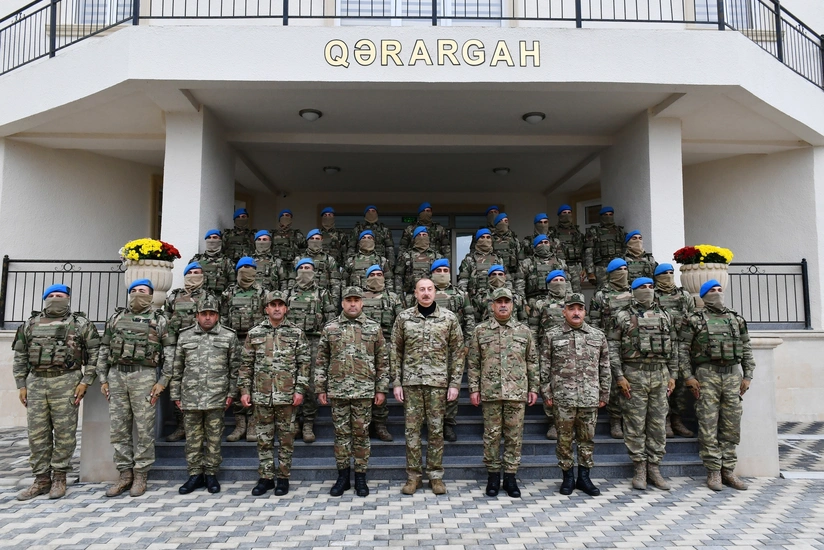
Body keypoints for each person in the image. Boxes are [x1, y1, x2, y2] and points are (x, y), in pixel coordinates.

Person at [12, 284, 100, 500]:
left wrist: (85, 382)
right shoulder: (30, 324)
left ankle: (59, 478)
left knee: (64, 433)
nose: (55, 298)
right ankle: (41, 480)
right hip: (36, 383)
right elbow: (20, 356)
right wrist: (21, 384)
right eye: (50, 296)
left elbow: (95, 353)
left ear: (68, 298)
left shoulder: (80, 324)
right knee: (37, 434)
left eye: (59, 296)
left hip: (67, 381)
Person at [97, 279, 175, 498]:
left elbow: (170, 354)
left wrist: (163, 381)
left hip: (144, 376)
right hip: (117, 376)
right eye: (134, 291)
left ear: (150, 296)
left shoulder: (160, 320)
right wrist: (103, 379)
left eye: (143, 291)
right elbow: (104, 349)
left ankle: (141, 474)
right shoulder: (116, 318)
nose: (138, 294)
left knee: (144, 428)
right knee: (119, 429)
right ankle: (124, 474)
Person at [680, 280, 755, 492]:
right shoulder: (694, 319)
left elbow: (746, 348)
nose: (717, 293)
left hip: (732, 376)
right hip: (706, 375)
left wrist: (748, 375)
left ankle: (728, 471)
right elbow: (682, 350)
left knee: (731, 425)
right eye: (712, 291)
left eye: (719, 290)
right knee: (708, 423)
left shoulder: (735, 319)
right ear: (704, 296)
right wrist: (688, 377)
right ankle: (713, 471)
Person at [391, 278, 464, 495]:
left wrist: (455, 384)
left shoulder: (448, 318)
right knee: (412, 431)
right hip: (412, 383)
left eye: (429, 289)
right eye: (421, 289)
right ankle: (413, 477)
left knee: (436, 431)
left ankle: (435, 476)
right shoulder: (404, 318)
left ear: (435, 292)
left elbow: (458, 352)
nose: (426, 293)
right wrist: (396, 382)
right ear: (415, 293)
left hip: (438, 384)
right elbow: (395, 351)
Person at [315, 287, 389, 497]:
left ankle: (361, 477)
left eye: (357, 300)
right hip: (338, 391)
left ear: (362, 303)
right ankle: (343, 477)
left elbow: (382, 361)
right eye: (349, 300)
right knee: (341, 436)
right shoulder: (330, 328)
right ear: (342, 303)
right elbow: (321, 361)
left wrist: (381, 389)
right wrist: (320, 387)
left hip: (364, 391)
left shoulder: (373, 328)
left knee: (361, 435)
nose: (353, 304)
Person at [467, 287, 538, 498]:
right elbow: (473, 363)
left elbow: (532, 362)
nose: (503, 305)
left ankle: (510, 477)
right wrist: (473, 389)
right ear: (493, 305)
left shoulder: (524, 331)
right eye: (499, 302)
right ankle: (492, 476)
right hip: (491, 392)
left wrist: (533, 388)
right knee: (491, 436)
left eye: (507, 301)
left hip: (516, 392)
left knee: (514, 437)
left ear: (513, 305)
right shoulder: (480, 331)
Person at [238, 290, 310, 497]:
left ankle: (284, 477)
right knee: (264, 438)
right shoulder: (255, 333)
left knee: (286, 438)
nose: (277, 308)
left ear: (286, 308)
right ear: (266, 308)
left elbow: (304, 364)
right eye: (273, 305)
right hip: (261, 395)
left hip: (287, 396)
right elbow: (246, 365)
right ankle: (266, 477)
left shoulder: (296, 333)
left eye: (280, 305)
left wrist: (300, 390)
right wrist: (244, 390)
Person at [609, 277, 677, 491]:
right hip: (634, 375)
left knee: (657, 424)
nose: (647, 290)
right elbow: (612, 347)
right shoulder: (622, 316)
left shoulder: (665, 315)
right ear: (633, 291)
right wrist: (619, 376)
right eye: (642, 287)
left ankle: (654, 467)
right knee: (635, 424)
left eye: (650, 287)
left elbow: (673, 347)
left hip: (659, 375)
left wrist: (673, 375)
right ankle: (639, 467)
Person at [167, 295, 240, 495]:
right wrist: (175, 395)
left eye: (212, 314)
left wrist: (231, 394)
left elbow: (235, 369)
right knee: (192, 439)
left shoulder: (228, 336)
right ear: (197, 315)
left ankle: (211, 473)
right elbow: (177, 368)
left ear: (217, 316)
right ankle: (194, 474)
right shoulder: (185, 336)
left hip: (217, 396)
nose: (208, 318)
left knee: (214, 438)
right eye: (204, 314)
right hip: (190, 396)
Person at [542, 293, 610, 496]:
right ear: (564, 312)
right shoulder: (552, 335)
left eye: (580, 308)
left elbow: (605, 366)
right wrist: (546, 392)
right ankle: (568, 477)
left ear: (585, 312)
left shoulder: (597, 336)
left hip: (589, 397)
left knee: (587, 439)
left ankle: (584, 477)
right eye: (572, 308)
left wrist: (604, 393)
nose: (576, 312)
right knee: (563, 439)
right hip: (563, 398)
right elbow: (544, 366)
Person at [163, 261, 215, 442]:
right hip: (179, 347)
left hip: (203, 347)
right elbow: (166, 322)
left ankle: (204, 427)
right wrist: (169, 346)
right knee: (178, 385)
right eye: (191, 272)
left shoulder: (210, 297)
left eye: (198, 272)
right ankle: (181, 425)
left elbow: (216, 321)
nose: (194, 275)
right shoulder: (173, 297)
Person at [287, 258, 337, 443]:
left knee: (309, 384)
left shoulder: (322, 293)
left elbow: (331, 319)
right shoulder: (288, 293)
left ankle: (308, 422)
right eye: (301, 268)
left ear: (314, 271)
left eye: (308, 268)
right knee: (290, 380)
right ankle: (294, 422)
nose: (305, 271)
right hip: (290, 342)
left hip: (314, 341)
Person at [220, 257, 268, 443]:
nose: (245, 270)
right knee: (239, 381)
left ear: (255, 271)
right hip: (235, 341)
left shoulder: (263, 293)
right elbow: (223, 318)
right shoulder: (229, 293)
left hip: (258, 343)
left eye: (249, 268)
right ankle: (240, 424)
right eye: (242, 267)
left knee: (257, 381)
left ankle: (254, 423)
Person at [430, 258, 475, 443]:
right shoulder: (425, 292)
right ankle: (432, 424)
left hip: (452, 348)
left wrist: (467, 343)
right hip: (428, 349)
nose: (442, 273)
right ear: (432, 273)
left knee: (451, 387)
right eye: (438, 270)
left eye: (445, 269)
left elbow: (469, 320)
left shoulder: (460, 294)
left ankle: (448, 423)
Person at [589, 258, 632, 439]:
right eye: (618, 269)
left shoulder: (635, 292)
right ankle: (615, 419)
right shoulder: (601, 295)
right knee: (614, 383)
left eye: (625, 269)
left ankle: (630, 420)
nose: (623, 272)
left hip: (633, 345)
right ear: (611, 273)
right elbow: (593, 321)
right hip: (609, 343)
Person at [360, 265, 403, 442]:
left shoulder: (392, 298)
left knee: (382, 384)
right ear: (366, 278)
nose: (377, 277)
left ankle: (380, 424)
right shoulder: (359, 298)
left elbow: (401, 322)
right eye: (373, 275)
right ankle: (364, 425)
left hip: (386, 344)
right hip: (362, 346)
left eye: (380, 274)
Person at [654, 263, 696, 438]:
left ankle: (677, 420)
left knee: (680, 387)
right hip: (661, 346)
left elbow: (692, 318)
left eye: (671, 273)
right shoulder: (652, 295)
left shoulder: (684, 295)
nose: (669, 276)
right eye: (664, 273)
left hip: (682, 344)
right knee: (664, 385)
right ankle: (665, 420)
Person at [528, 270, 569, 440]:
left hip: (571, 351)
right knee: (549, 386)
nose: (559, 282)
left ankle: (568, 421)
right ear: (548, 284)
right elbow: (533, 329)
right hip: (548, 352)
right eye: (555, 280)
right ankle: (552, 421)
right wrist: (534, 351)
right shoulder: (540, 304)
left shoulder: (573, 301)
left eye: (561, 279)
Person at [291, 229, 342, 306]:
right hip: (302, 297)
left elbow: (335, 283)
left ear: (322, 240)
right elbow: (292, 280)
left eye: (317, 239)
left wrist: (333, 303)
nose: (314, 241)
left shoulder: (329, 259)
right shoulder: (299, 259)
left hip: (324, 299)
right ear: (307, 241)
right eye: (312, 239)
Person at [395, 227, 444, 305]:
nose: (422, 237)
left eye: (424, 235)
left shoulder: (437, 256)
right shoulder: (406, 256)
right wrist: (399, 295)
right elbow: (398, 276)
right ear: (414, 238)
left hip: (431, 295)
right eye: (419, 235)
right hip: (410, 296)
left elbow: (442, 276)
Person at [457, 228, 508, 301]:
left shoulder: (498, 259)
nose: (485, 240)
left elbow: (506, 280)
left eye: (488, 237)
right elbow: (463, 283)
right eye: (482, 237)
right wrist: (466, 302)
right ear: (477, 240)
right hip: (475, 301)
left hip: (497, 299)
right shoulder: (469, 259)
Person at [521, 234, 569, 309]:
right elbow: (520, 286)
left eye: (546, 242)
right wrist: (524, 304)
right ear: (535, 246)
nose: (544, 245)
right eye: (540, 243)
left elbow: (567, 284)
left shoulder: (560, 263)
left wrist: (569, 301)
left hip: (556, 301)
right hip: (533, 301)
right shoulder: (527, 263)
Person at [584, 206, 627, 288]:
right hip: (601, 267)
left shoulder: (619, 231)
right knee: (602, 290)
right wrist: (590, 272)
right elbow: (589, 252)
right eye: (605, 215)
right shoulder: (594, 232)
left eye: (610, 215)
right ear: (601, 217)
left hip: (617, 266)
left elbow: (625, 249)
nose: (608, 217)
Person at [548, 205, 586, 293]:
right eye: (564, 213)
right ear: (559, 215)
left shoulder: (577, 233)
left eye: (569, 213)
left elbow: (583, 250)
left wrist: (585, 268)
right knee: (561, 291)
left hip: (576, 266)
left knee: (577, 292)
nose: (567, 215)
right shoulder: (553, 232)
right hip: (561, 266)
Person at [188, 229, 235, 295]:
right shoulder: (196, 260)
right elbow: (189, 281)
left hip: (219, 300)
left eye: (215, 237)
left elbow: (232, 283)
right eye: (209, 238)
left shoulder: (227, 262)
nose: (211, 240)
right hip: (199, 299)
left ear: (220, 240)